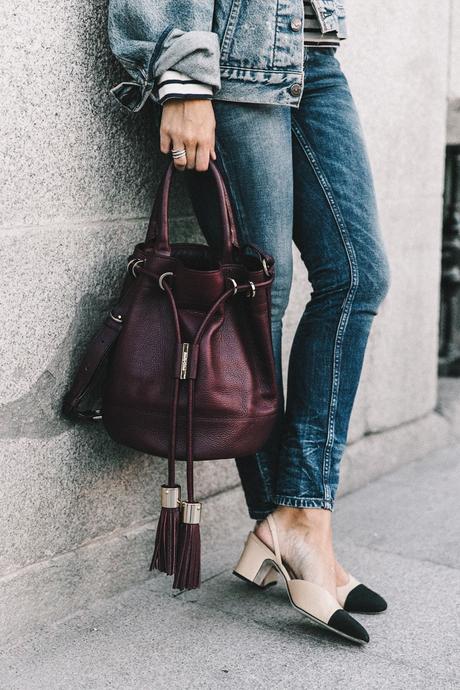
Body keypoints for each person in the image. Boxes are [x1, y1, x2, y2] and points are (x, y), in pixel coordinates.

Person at [108, 0, 391, 644]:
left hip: (313, 52)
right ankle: (296, 524)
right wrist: (182, 73)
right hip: (235, 55)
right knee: (261, 290)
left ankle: (289, 522)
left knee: (358, 276)